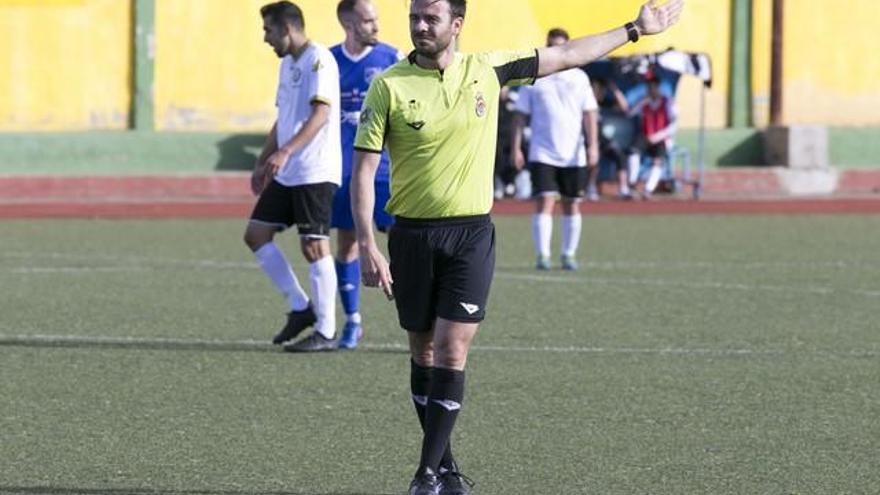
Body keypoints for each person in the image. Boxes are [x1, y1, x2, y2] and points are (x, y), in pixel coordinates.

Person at [351, 0, 683, 493]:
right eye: (415, 18)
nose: (421, 26)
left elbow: (567, 55)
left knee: (451, 348)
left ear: (456, 25)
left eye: (431, 19)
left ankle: (424, 474)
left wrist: (635, 29)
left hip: (470, 235)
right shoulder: (389, 86)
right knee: (422, 351)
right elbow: (361, 171)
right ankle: (445, 469)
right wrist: (367, 244)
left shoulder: (487, 69)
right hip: (410, 235)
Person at [244, 1, 342, 353]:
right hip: (288, 172)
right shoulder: (287, 64)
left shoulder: (320, 59)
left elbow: (321, 114)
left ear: (287, 29)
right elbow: (282, 117)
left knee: (314, 246)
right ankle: (301, 308)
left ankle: (328, 331)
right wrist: (263, 159)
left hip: (314, 169)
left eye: (268, 30)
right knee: (256, 234)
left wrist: (286, 152)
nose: (266, 38)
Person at [330, 0, 402, 350]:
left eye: (376, 20)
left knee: (405, 243)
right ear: (348, 22)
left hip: (387, 171)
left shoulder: (392, 59)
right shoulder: (329, 62)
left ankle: (418, 317)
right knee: (347, 244)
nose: (376, 26)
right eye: (368, 20)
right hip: (344, 171)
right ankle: (352, 321)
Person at [510, 28, 599, 271]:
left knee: (572, 203)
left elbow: (589, 114)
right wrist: (516, 148)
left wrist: (593, 146)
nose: (557, 50)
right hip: (542, 151)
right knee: (545, 201)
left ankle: (569, 254)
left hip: (574, 153)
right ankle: (543, 256)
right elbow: (519, 117)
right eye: (552, 46)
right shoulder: (534, 77)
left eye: (561, 46)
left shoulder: (580, 78)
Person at [629, 70, 679, 199]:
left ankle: (648, 189)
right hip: (646, 136)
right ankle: (632, 183)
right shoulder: (644, 103)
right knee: (633, 152)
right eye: (648, 87)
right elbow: (630, 113)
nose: (651, 90)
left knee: (658, 161)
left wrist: (658, 136)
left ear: (658, 87)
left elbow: (674, 126)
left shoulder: (668, 102)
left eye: (653, 87)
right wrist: (641, 102)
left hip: (661, 138)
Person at [592, 76, 634, 199]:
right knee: (593, 158)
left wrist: (614, 90)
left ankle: (623, 189)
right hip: (586, 139)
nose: (601, 92)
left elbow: (624, 107)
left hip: (602, 139)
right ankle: (590, 187)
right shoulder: (584, 100)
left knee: (619, 155)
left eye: (602, 90)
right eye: (598, 89)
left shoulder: (603, 101)